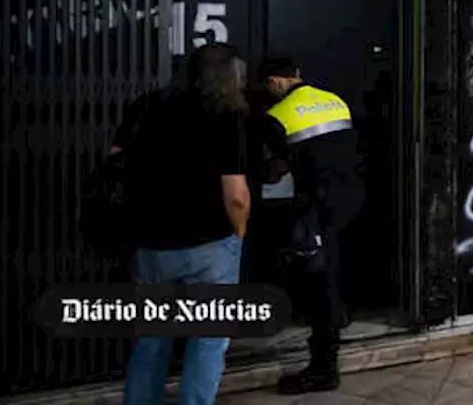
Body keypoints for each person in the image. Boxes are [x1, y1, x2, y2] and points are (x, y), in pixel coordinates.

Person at [119, 43, 251, 405]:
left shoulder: (146, 105)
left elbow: (113, 163)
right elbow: (236, 194)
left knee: (151, 340)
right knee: (208, 340)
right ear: (227, 76)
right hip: (209, 246)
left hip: (150, 244)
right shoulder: (226, 114)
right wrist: (239, 234)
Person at [259, 56, 363, 394]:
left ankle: (323, 369)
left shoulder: (277, 116)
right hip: (350, 202)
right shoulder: (335, 101)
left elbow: (274, 171)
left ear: (275, 81)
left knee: (320, 286)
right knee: (334, 274)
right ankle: (338, 319)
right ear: (298, 74)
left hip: (314, 210)